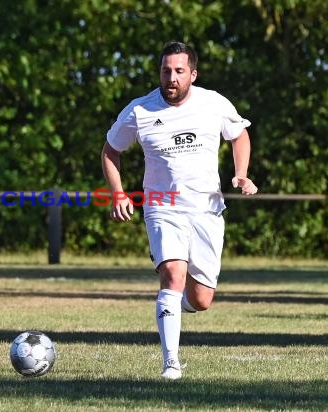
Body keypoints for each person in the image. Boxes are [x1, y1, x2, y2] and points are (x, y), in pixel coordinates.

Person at [101, 41, 258, 380]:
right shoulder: (140, 111)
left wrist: (241, 174)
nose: (171, 78)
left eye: (178, 71)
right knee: (172, 274)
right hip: (162, 207)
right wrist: (118, 194)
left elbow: (239, 135)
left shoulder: (213, 103)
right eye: (165, 70)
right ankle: (170, 363)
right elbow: (110, 151)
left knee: (201, 299)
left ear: (193, 74)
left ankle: (175, 306)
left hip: (207, 209)